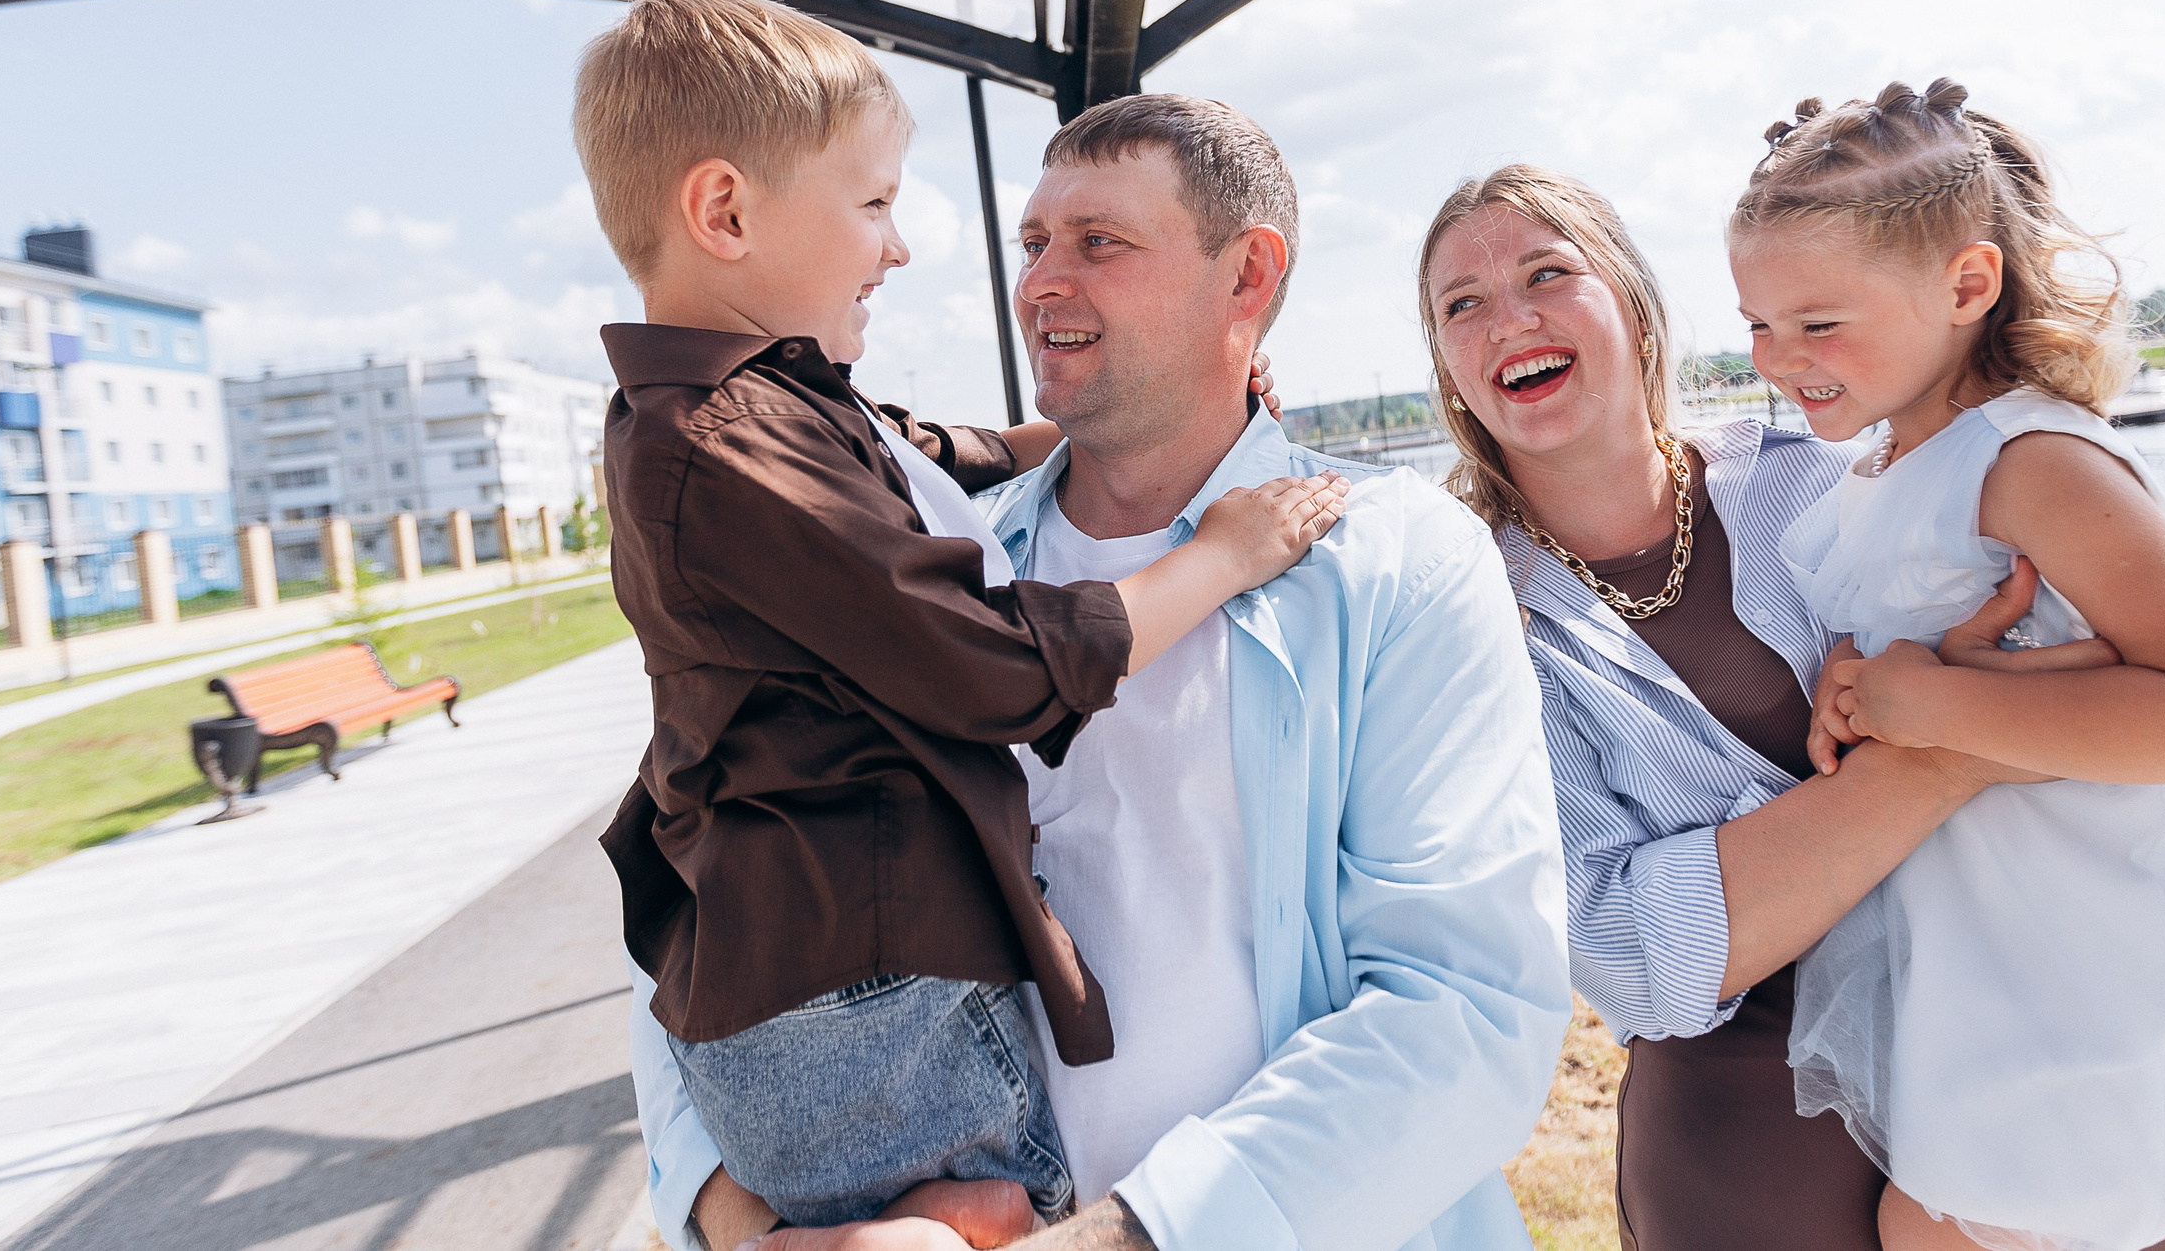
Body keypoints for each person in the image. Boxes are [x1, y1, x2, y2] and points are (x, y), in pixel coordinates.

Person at [629, 93, 1573, 1251]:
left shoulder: (1399, 559)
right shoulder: (908, 557)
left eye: (1098, 243)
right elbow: (700, 882)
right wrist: (742, 1226)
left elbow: (1465, 1018)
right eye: (1032, 243)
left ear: (1248, 276)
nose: (1038, 282)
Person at [1416, 162, 2165, 1251]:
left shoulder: (1844, 473)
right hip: (1757, 1133)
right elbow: (1623, 951)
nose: (1506, 318)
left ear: (1633, 304)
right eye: (1459, 304)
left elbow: (2144, 670)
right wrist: (1944, 747)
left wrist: (1958, 715)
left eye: (1545, 273)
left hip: (2044, 1028)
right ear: (1449, 368)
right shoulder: (1469, 620)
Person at [577, 0, 1347, 1238]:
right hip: (865, 1003)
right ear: (725, 212)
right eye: (872, 203)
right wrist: (1221, 554)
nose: (900, 246)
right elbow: (990, 668)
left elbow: (913, 449)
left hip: (825, 990)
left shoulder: (760, 411)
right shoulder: (724, 442)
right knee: (991, 1222)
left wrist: (1068, 425)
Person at [1732, 79, 2165, 1250]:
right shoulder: (1876, 471)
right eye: (1758, 324)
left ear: (1966, 285)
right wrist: (1857, 684)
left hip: (2118, 916)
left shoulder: (2032, 459)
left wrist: (1936, 700)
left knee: (1948, 1222)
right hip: (2012, 938)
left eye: (1818, 323)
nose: (1776, 359)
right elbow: (1931, 625)